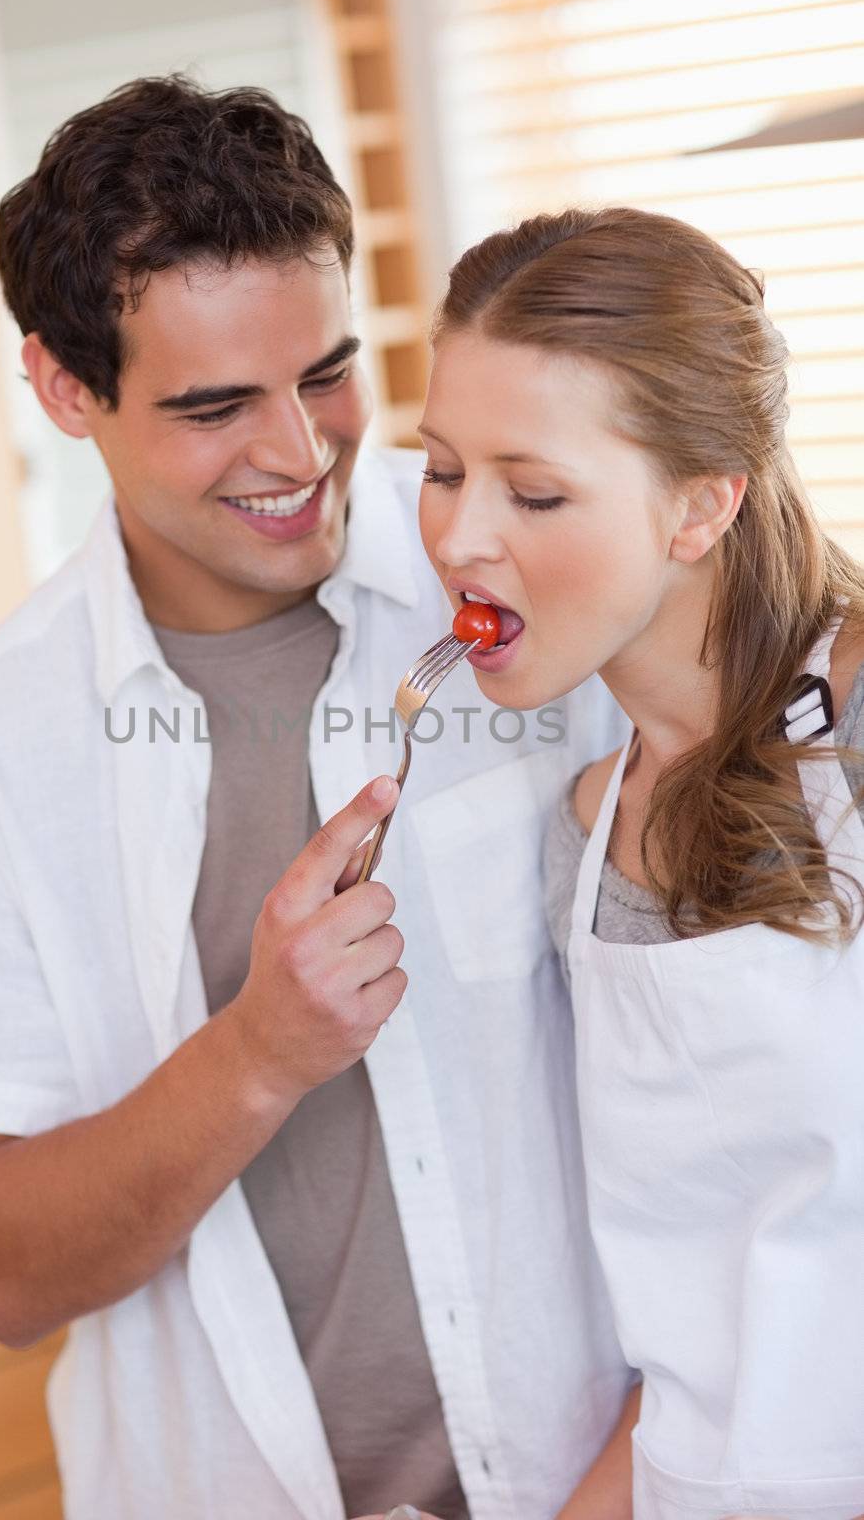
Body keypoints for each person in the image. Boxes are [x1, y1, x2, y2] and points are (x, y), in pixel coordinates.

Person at [0, 79, 636, 1520]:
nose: (300, 452)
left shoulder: (529, 575)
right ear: (62, 386)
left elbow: (744, 1077)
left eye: (326, 372)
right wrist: (261, 1054)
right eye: (214, 407)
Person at [417, 204, 864, 1519]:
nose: (457, 539)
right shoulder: (587, 824)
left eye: (533, 490)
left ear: (701, 503)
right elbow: (696, 1358)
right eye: (442, 469)